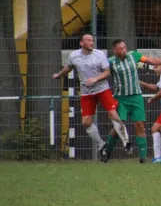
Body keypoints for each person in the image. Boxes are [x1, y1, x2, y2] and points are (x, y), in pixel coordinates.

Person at [52, 34, 129, 162]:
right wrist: (59, 75)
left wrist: (95, 79)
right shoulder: (74, 56)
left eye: (92, 40)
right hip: (87, 92)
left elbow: (107, 72)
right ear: (81, 43)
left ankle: (126, 143)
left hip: (102, 89)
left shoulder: (99, 55)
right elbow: (68, 68)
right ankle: (101, 145)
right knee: (86, 122)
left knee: (113, 115)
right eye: (88, 40)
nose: (91, 42)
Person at [106, 39, 161, 163]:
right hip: (121, 98)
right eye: (121, 48)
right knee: (119, 125)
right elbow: (102, 73)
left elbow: (152, 61)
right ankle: (106, 152)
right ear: (115, 50)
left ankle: (143, 157)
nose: (124, 50)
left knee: (140, 125)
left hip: (136, 97)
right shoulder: (110, 62)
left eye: (125, 47)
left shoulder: (133, 55)